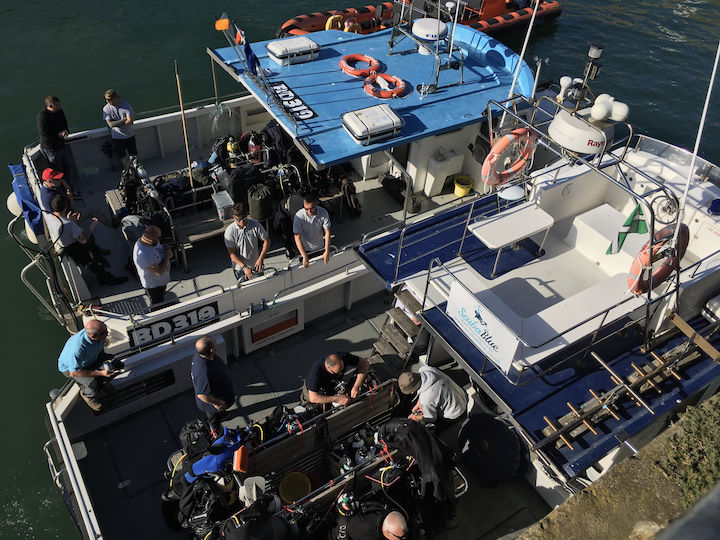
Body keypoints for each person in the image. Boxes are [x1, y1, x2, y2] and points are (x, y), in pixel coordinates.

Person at [46, 194, 127, 286]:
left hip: (64, 244)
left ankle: (98, 257)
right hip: (75, 249)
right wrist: (92, 227)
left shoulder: (49, 217)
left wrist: (71, 220)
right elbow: (83, 240)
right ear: (65, 207)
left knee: (91, 244)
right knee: (93, 264)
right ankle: (108, 280)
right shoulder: (68, 224)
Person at [57, 320, 122, 411]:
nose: (107, 333)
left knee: (116, 364)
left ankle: (102, 383)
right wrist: (100, 373)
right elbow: (74, 372)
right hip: (73, 369)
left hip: (90, 359)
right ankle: (88, 396)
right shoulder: (78, 349)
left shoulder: (100, 336)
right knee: (92, 385)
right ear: (93, 336)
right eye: (104, 332)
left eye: (106, 330)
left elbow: (101, 348)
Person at [40, 167, 117, 227]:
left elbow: (69, 202)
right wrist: (70, 219)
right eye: (57, 179)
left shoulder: (55, 186)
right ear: (49, 181)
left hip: (70, 211)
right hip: (67, 219)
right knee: (92, 210)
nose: (60, 180)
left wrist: (67, 190)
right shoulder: (48, 197)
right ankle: (112, 224)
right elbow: (55, 217)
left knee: (92, 211)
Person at [191, 335, 235, 434]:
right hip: (211, 404)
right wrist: (217, 402)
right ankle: (215, 432)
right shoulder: (204, 372)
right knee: (213, 419)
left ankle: (221, 415)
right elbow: (202, 395)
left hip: (218, 391)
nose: (215, 340)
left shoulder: (201, 355)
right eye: (213, 341)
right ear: (211, 350)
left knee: (218, 413)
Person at [398, 366, 467, 425]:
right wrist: (420, 403)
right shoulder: (426, 369)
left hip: (455, 413)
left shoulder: (425, 399)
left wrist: (416, 417)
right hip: (461, 395)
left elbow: (431, 418)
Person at [302, 352, 370, 408]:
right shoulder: (315, 373)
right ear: (328, 368)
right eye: (337, 372)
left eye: (342, 370)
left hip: (331, 384)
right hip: (313, 391)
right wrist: (337, 399)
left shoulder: (343, 357)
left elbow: (364, 363)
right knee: (312, 407)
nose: (340, 373)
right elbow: (313, 398)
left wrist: (356, 387)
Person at [223, 202, 270, 281]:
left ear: (247, 214)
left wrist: (260, 259)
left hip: (256, 266)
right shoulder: (229, 231)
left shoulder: (255, 224)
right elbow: (232, 254)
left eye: (244, 219)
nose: (242, 222)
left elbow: (267, 241)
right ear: (234, 217)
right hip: (240, 269)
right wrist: (244, 267)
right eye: (239, 219)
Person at [132, 225, 173, 309]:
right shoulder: (144, 255)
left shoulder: (151, 242)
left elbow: (160, 247)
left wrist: (167, 248)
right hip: (154, 285)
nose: (159, 240)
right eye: (159, 237)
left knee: (161, 297)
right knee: (157, 304)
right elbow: (159, 272)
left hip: (161, 281)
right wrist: (166, 257)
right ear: (152, 238)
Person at [37, 95, 75, 180]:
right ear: (50, 106)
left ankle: (70, 186)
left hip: (61, 145)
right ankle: (63, 188)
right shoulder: (42, 116)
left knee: (67, 167)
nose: (59, 106)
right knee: (58, 170)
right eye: (57, 105)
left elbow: (64, 123)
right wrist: (58, 135)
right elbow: (43, 133)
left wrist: (66, 131)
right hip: (51, 148)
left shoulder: (59, 111)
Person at [293, 193, 331, 268]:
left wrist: (327, 250)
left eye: (312, 208)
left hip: (320, 248)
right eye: (306, 209)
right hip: (305, 250)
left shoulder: (323, 212)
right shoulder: (299, 216)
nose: (309, 211)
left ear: (316, 204)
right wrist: (304, 256)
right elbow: (297, 237)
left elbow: (327, 233)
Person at [102, 89, 136, 168]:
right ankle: (126, 169)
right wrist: (123, 120)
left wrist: (116, 123)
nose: (107, 101)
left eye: (109, 99)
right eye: (106, 99)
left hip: (129, 135)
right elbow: (110, 124)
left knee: (133, 153)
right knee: (121, 156)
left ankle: (135, 168)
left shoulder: (125, 105)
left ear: (115, 98)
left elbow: (130, 121)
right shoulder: (106, 109)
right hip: (117, 137)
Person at [332, 506, 409, 540]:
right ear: (387, 532)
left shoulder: (397, 516)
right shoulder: (366, 532)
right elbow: (347, 524)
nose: (404, 538)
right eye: (400, 538)